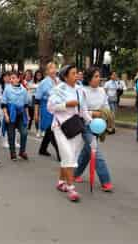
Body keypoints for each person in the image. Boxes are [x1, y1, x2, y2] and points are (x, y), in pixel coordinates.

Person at [48, 65, 90, 202]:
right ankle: (71, 188)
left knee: (70, 156)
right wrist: (66, 104)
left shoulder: (80, 90)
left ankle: (61, 181)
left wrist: (92, 123)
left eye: (76, 73)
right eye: (73, 73)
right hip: (60, 126)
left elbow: (83, 110)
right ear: (65, 76)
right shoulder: (58, 89)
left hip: (75, 126)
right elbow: (50, 107)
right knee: (68, 155)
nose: (76, 75)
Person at [74, 67, 113, 192]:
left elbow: (106, 106)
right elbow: (80, 111)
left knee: (87, 151)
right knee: (95, 149)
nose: (98, 79)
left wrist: (104, 114)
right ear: (89, 78)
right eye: (96, 76)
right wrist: (93, 115)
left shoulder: (102, 91)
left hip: (98, 125)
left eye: (99, 76)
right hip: (85, 125)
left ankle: (75, 173)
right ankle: (106, 181)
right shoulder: (82, 91)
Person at [35, 62, 61, 160]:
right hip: (46, 107)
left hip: (57, 107)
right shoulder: (44, 82)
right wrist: (36, 114)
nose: (53, 70)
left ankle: (42, 149)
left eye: (55, 68)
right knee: (52, 129)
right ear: (47, 71)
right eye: (51, 68)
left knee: (50, 130)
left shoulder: (58, 81)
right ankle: (60, 153)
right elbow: (37, 98)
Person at [2, 72, 30, 161]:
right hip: (11, 113)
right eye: (11, 78)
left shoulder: (24, 90)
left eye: (14, 78)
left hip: (21, 114)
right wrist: (6, 115)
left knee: (24, 132)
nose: (12, 80)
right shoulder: (7, 89)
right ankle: (12, 153)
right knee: (11, 134)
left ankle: (22, 151)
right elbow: (4, 104)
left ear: (18, 79)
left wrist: (28, 115)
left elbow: (26, 104)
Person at [30, 70, 43, 136]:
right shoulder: (33, 82)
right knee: (36, 115)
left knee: (42, 115)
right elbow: (30, 89)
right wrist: (34, 87)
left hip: (42, 99)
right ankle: (37, 130)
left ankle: (42, 130)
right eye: (37, 75)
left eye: (40, 75)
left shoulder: (44, 82)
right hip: (35, 99)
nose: (38, 76)